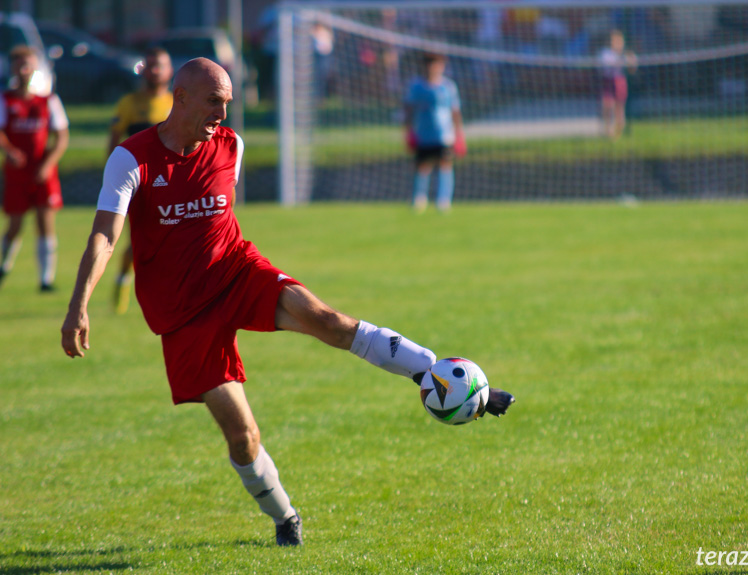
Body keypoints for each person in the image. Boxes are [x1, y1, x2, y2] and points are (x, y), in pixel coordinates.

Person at [61, 58, 514, 547]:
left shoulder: (230, 146)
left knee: (328, 320)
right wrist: (78, 305)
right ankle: (285, 517)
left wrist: (452, 384)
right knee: (243, 438)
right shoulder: (132, 159)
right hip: (183, 314)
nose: (224, 111)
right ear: (183, 96)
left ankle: (433, 372)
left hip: (237, 273)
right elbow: (106, 237)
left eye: (228, 101)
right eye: (215, 100)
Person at [108, 46, 174, 314]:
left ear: (170, 71)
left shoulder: (176, 104)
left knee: (172, 238)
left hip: (171, 182)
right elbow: (114, 139)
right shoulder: (129, 103)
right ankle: (123, 279)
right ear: (142, 69)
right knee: (140, 242)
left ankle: (168, 293)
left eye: (160, 65)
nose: (155, 70)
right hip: (138, 182)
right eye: (150, 64)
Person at [0, 45, 69, 291]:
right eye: (18, 63)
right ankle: (4, 265)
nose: (23, 68)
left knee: (45, 221)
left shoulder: (48, 100)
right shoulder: (6, 99)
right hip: (17, 171)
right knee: (15, 223)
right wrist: (10, 151)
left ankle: (45, 279)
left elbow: (61, 136)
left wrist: (48, 164)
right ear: (12, 68)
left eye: (27, 63)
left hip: (42, 170)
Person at [403, 53, 465, 213]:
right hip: (423, 134)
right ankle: (419, 198)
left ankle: (444, 200)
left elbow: (455, 111)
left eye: (437, 64)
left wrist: (459, 135)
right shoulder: (416, 86)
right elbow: (408, 110)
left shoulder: (448, 87)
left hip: (444, 135)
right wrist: (408, 132)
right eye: (430, 64)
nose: (433, 67)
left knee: (445, 165)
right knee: (422, 166)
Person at [599, 30, 637, 139]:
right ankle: (608, 130)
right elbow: (605, 67)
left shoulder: (625, 54)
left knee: (619, 107)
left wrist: (630, 60)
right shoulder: (606, 53)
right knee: (608, 105)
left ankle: (619, 131)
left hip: (619, 81)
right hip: (608, 81)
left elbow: (632, 68)